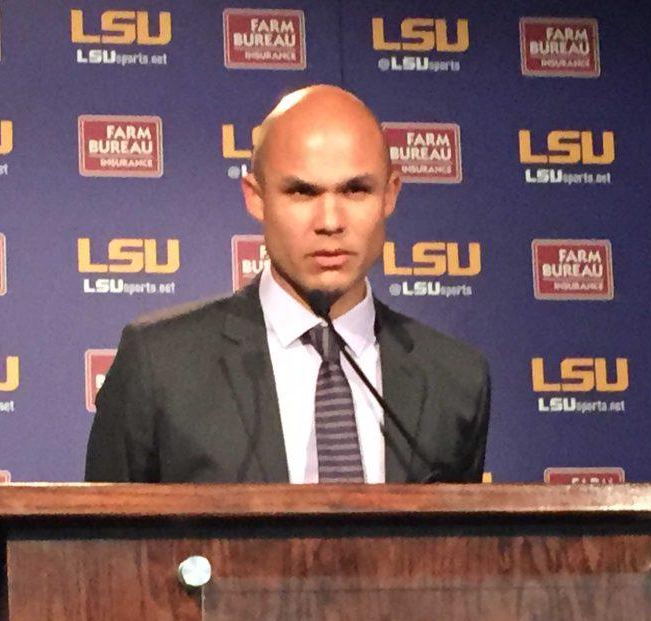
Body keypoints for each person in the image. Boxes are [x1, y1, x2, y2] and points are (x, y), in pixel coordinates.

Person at [84, 85, 490, 484]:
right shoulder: (160, 365)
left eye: (356, 190)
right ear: (256, 198)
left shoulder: (455, 379)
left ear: (390, 195)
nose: (330, 221)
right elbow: (103, 547)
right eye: (301, 192)